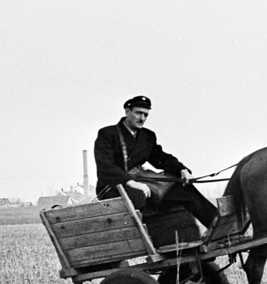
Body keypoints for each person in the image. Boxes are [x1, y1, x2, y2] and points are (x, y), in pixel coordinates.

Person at [93, 96, 217, 230]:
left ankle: (216, 224)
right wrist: (132, 183)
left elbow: (161, 158)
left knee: (183, 189)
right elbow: (105, 167)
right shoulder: (108, 134)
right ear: (127, 112)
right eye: (138, 113)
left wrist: (182, 170)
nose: (142, 118)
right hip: (113, 186)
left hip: (143, 182)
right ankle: (147, 239)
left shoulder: (147, 136)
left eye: (145, 114)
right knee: (139, 196)